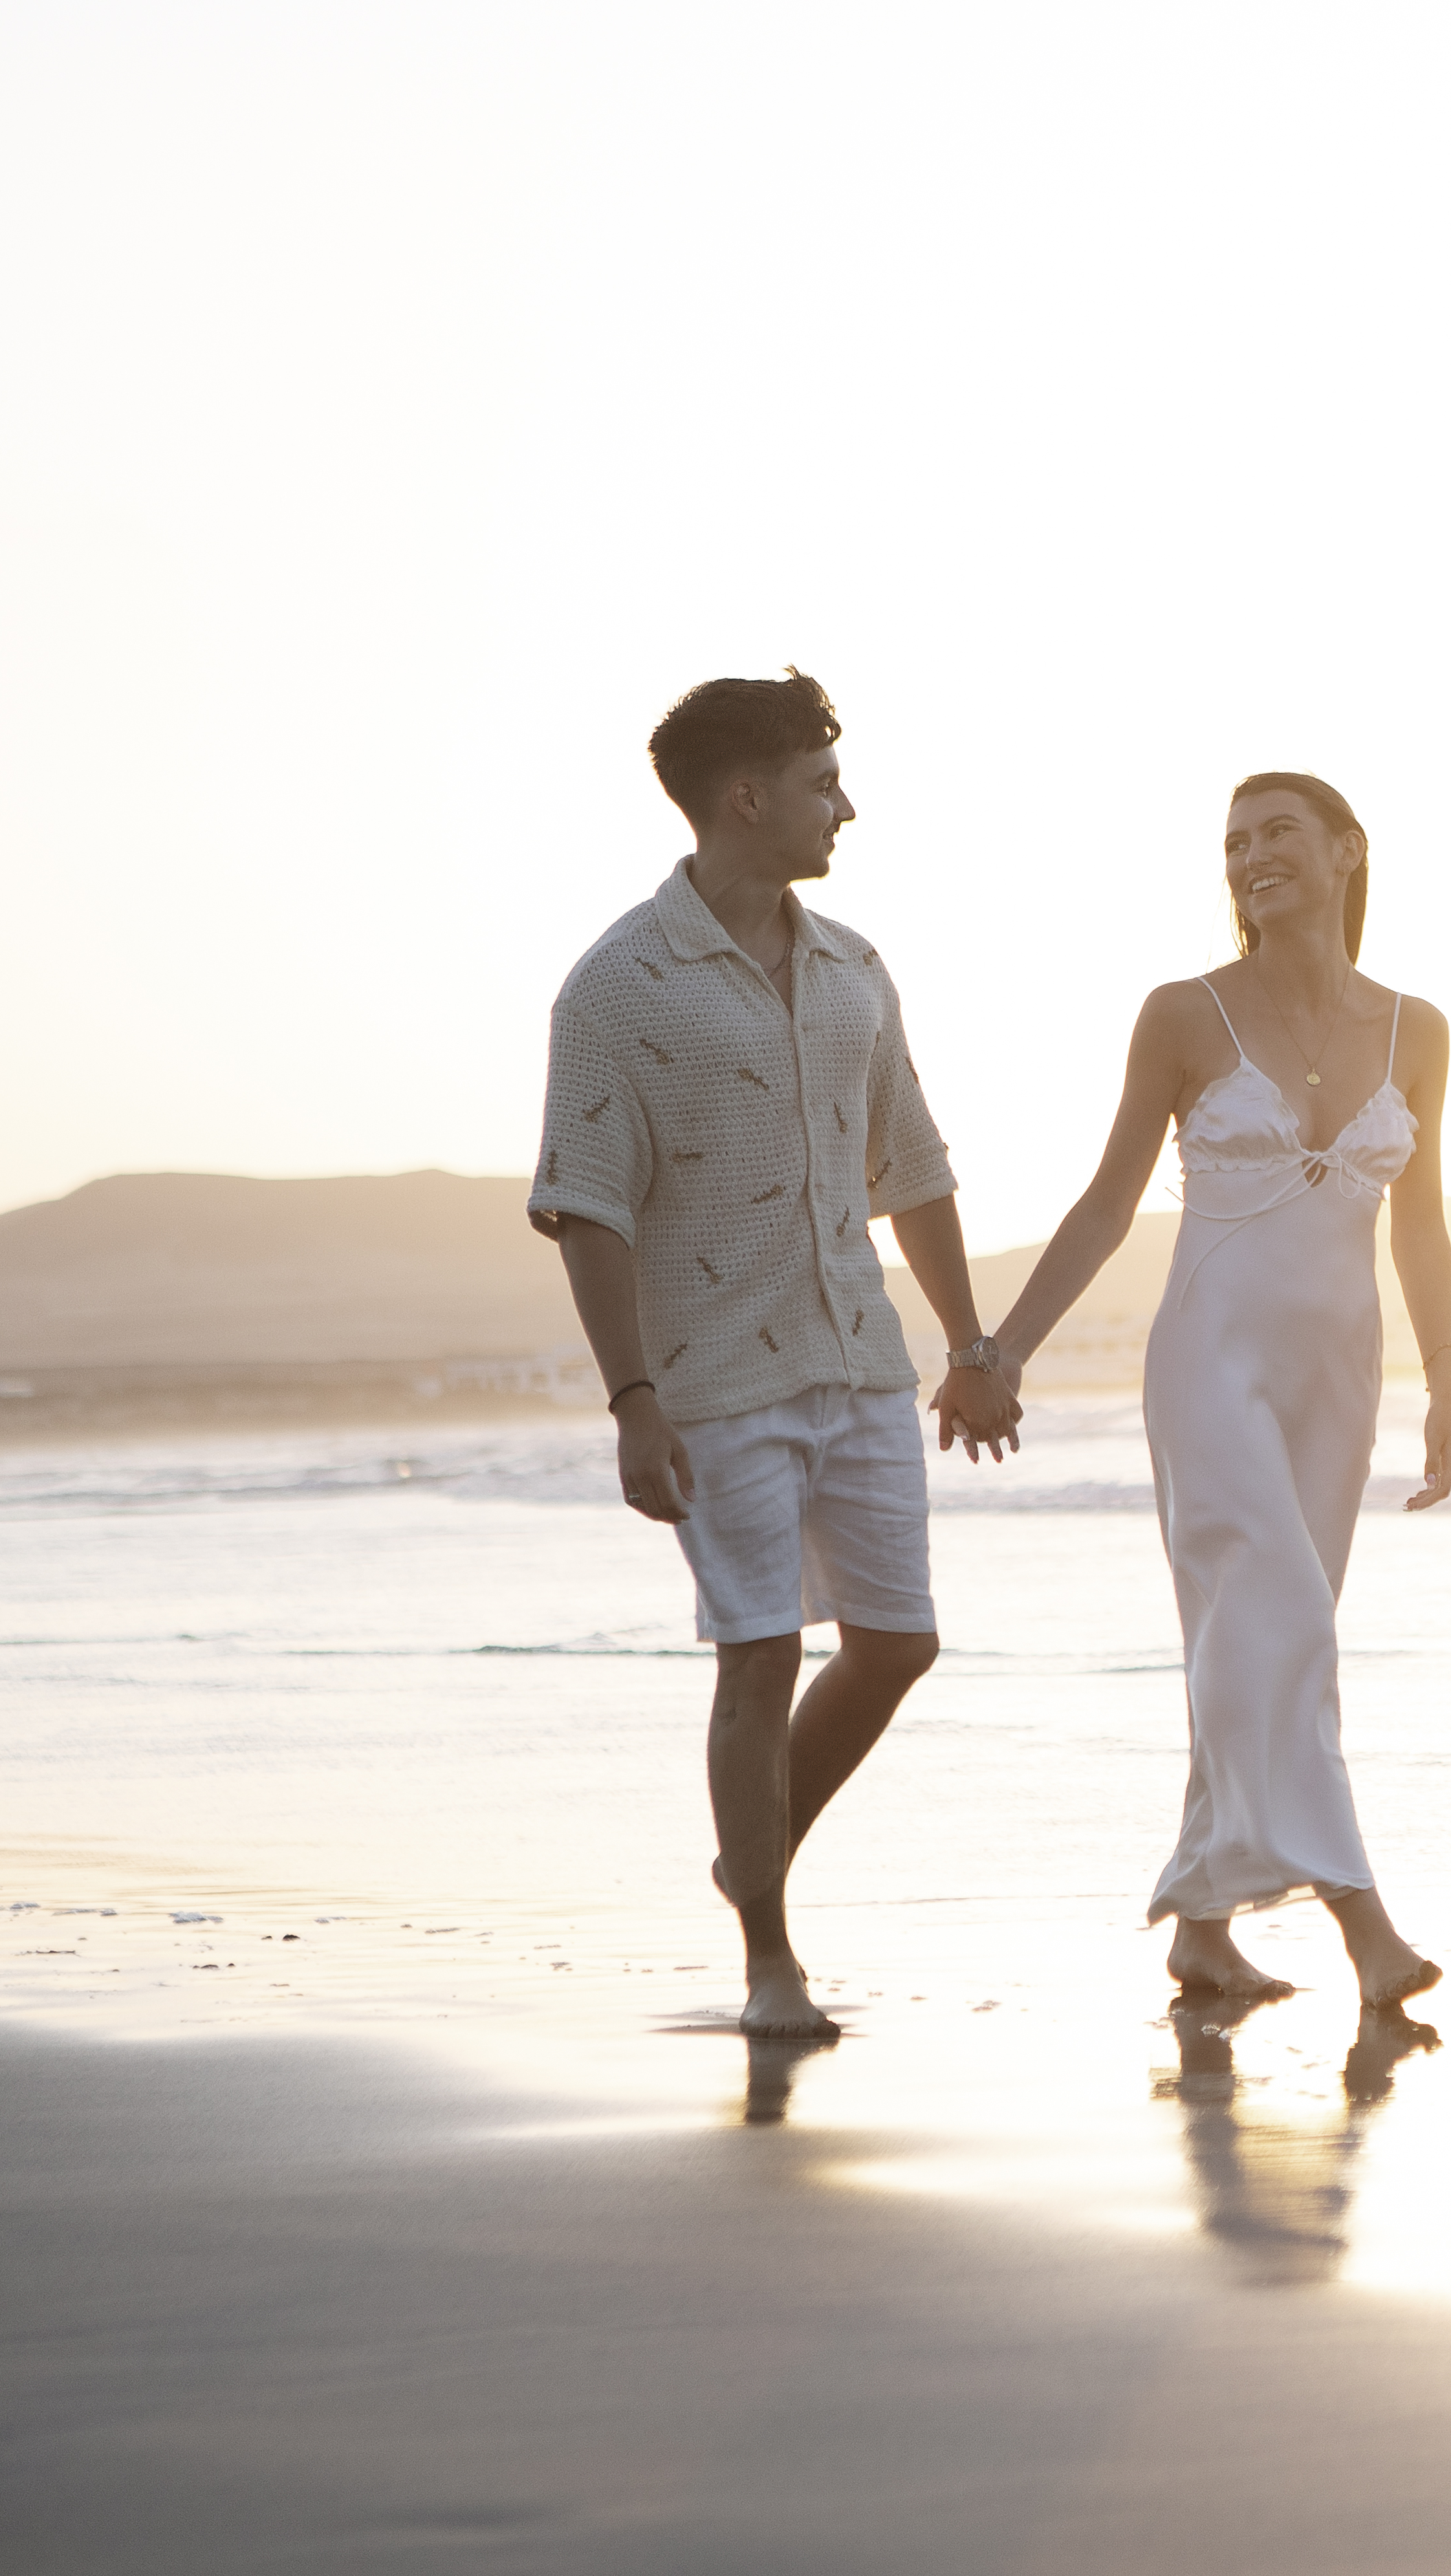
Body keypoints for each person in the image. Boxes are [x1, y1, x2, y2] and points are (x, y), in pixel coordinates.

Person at [525, 670, 1019, 2039]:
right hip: (715, 1382)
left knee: (898, 1644)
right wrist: (632, 1401)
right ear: (747, 797)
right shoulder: (619, 987)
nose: (843, 808)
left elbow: (912, 1167)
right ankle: (769, 1957)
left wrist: (967, 1343)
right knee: (757, 1658)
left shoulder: (857, 967)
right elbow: (587, 1204)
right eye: (821, 783)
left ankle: (749, 1851)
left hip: (858, 1359)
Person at [983, 772, 1451, 2005]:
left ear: (1349, 851)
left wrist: (1443, 1385)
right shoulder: (1183, 1015)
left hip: (1337, 1379)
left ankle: (1201, 1925)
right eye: (1235, 842)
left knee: (1248, 1644)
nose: (1252, 857)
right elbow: (1105, 1202)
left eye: (1279, 834)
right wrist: (1002, 1350)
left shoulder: (1418, 1029)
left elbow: (1424, 1229)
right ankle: (1368, 1930)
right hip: (1211, 1364)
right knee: (1282, 1627)